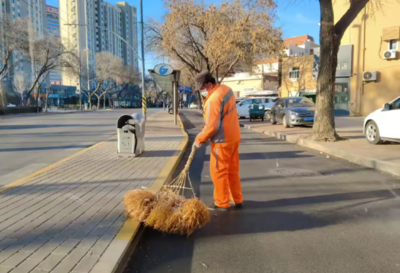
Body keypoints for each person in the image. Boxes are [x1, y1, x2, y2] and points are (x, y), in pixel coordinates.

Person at [193, 71, 243, 211]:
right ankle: (237, 199)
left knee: (218, 171)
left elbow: (212, 126)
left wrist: (199, 139)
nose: (202, 91)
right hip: (234, 137)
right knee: (232, 170)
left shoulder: (214, 99)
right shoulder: (226, 90)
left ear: (209, 84)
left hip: (222, 140)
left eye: (202, 88)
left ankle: (221, 203)